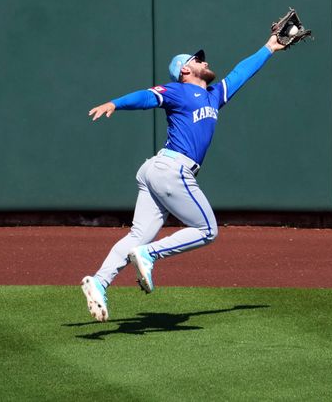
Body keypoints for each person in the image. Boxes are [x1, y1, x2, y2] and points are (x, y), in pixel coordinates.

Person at [82, 31, 288, 322]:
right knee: (207, 230)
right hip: (172, 169)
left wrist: (269, 47)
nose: (206, 61)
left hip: (157, 170)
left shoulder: (214, 96)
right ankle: (149, 254)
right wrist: (116, 103)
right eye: (199, 59)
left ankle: (99, 282)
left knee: (137, 235)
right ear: (185, 70)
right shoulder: (179, 90)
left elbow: (241, 72)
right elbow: (147, 97)